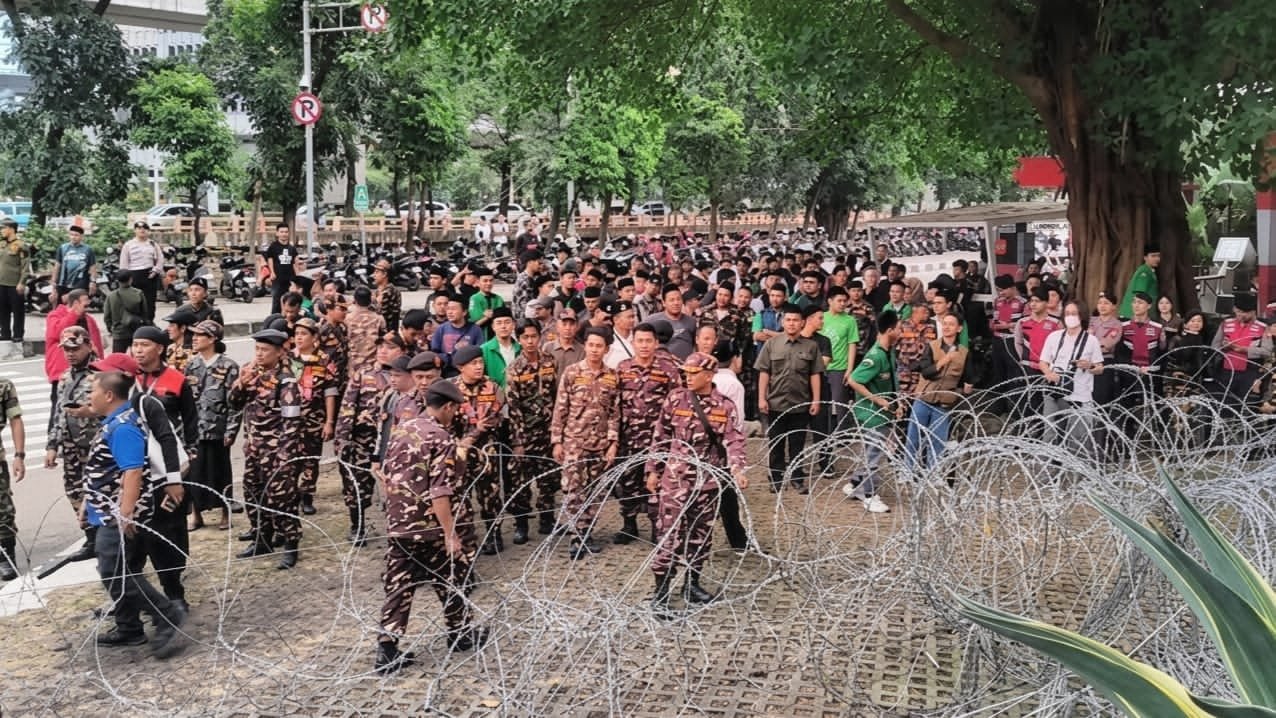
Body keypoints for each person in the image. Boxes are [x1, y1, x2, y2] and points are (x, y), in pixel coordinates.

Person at [376, 375, 485, 673]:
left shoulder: (403, 429)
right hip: (429, 526)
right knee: (452, 574)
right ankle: (460, 633)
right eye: (455, 409)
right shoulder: (442, 438)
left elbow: (387, 475)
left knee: (399, 586)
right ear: (447, 407)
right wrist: (450, 534)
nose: (456, 414)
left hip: (399, 523)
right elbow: (440, 492)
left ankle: (386, 649)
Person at [81, 369, 185, 655]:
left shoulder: (123, 427)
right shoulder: (114, 421)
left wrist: (124, 514)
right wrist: (86, 504)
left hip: (119, 515)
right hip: (107, 510)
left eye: (93, 391)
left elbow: (133, 472)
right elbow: (103, 470)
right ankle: (129, 628)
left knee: (114, 572)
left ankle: (167, 616)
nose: (89, 396)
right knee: (124, 569)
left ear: (109, 395)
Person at [645, 352, 748, 616]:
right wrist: (653, 470)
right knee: (668, 535)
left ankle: (692, 585)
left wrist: (737, 469)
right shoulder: (675, 398)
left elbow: (734, 440)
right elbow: (661, 436)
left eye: (693, 373)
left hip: (708, 482)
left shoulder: (724, 406)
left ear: (709, 375)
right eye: (685, 373)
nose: (687, 377)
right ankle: (661, 592)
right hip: (675, 480)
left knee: (700, 536)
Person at [130, 326, 197, 607]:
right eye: (135, 345)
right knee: (135, 535)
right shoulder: (126, 381)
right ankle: (134, 596)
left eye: (144, 345)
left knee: (171, 530)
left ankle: (174, 591)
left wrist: (185, 467)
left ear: (159, 347)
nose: (138, 350)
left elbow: (192, 424)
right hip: (136, 469)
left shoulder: (177, 380)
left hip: (170, 469)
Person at [230, 329, 304, 568]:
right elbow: (232, 403)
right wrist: (241, 382)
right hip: (253, 448)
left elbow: (291, 422)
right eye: (257, 349)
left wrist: (284, 456)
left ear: (279, 351)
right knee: (253, 493)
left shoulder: (286, 380)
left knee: (282, 498)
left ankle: (291, 544)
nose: (259, 354)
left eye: (265, 350)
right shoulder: (251, 374)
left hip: (277, 451)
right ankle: (262, 537)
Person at [550, 328, 621, 560]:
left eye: (599, 346)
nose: (594, 350)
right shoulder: (572, 373)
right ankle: (575, 535)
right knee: (573, 490)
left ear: (606, 350)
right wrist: (557, 441)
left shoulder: (612, 376)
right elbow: (560, 409)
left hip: (599, 444)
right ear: (585, 346)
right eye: (590, 345)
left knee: (595, 492)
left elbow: (614, 413)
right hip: (574, 443)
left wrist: (612, 443)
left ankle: (587, 531)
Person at [336, 335, 408, 546]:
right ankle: (357, 526)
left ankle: (398, 527)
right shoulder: (363, 374)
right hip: (363, 440)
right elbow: (348, 406)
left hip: (394, 440)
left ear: (401, 351)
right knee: (357, 484)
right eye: (380, 347)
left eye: (390, 347)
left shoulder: (406, 375)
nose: (383, 351)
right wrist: (343, 439)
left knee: (397, 484)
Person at [615, 322, 682, 544]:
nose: (644, 345)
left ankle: (658, 527)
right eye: (639, 341)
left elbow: (677, 404)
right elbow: (614, 406)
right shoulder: (622, 369)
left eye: (648, 341)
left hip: (658, 441)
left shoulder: (668, 370)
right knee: (628, 483)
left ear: (655, 343)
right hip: (629, 437)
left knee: (657, 485)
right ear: (633, 343)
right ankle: (629, 525)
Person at [755, 303, 824, 493]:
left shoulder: (811, 346)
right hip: (775, 403)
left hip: (800, 404)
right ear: (783, 322)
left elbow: (815, 374)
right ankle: (776, 478)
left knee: (798, 443)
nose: (792, 324)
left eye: (795, 320)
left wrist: (816, 399)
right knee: (776, 443)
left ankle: (797, 478)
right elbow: (764, 373)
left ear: (802, 323)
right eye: (788, 320)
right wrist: (761, 398)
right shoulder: (771, 344)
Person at [45, 327, 99, 561]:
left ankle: (104, 537)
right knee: (74, 491)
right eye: (66, 349)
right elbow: (59, 411)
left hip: (95, 446)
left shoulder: (101, 374)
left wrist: (91, 412)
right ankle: (91, 537)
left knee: (97, 493)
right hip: (70, 447)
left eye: (75, 348)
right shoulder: (65, 377)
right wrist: (52, 445)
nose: (70, 353)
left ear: (88, 346)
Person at [448, 345, 507, 555]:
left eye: (480, 362)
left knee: (490, 495)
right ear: (460, 367)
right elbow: (446, 423)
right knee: (461, 496)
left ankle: (494, 534)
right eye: (473, 364)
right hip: (459, 453)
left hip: (486, 451)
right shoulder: (451, 390)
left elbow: (490, 420)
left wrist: (471, 436)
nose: (479, 367)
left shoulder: (492, 388)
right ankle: (466, 537)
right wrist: (463, 441)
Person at [842, 311, 903, 513]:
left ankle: (854, 484)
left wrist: (896, 403)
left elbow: (892, 382)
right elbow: (854, 380)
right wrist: (878, 400)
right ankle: (869, 494)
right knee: (874, 453)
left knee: (871, 451)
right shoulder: (875, 356)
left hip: (884, 412)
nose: (902, 332)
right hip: (871, 414)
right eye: (899, 328)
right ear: (890, 330)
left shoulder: (890, 351)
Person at [505, 320, 560, 538]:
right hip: (525, 434)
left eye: (533, 336)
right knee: (521, 481)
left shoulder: (550, 361)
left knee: (548, 479)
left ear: (540, 337)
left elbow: (555, 396)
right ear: (519, 339)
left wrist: (557, 433)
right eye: (525, 337)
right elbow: (513, 407)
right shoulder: (515, 369)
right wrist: (518, 441)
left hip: (546, 433)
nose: (530, 341)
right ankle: (521, 525)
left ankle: (547, 520)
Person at [184, 321, 240, 531]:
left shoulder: (228, 366)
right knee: (194, 474)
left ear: (213, 339)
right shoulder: (191, 365)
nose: (195, 339)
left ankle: (225, 513)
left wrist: (231, 429)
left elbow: (234, 403)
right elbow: (186, 400)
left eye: (200, 335)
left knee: (221, 472)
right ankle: (196, 515)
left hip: (218, 428)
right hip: (196, 430)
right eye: (194, 335)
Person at [904, 313, 976, 472]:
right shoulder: (932, 346)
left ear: (959, 328)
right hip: (923, 398)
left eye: (951, 324)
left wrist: (967, 386)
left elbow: (968, 376)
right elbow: (926, 372)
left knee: (938, 442)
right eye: (944, 323)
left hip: (944, 403)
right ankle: (907, 471)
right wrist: (944, 361)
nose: (946, 327)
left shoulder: (964, 353)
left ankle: (933, 473)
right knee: (914, 437)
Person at [1038, 301, 1105, 455]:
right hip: (1054, 392)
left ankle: (1077, 474)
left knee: (1078, 440)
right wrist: (1049, 374)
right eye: (1067, 313)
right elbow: (1043, 361)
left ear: (1081, 316)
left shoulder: (1091, 341)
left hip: (1079, 396)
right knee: (1051, 434)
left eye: (1074, 313)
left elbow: (1100, 368)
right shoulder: (1054, 337)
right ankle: (1049, 473)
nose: (1070, 317)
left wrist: (1089, 366)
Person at [291, 318, 339, 515]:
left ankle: (307, 496)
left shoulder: (324, 360)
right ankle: (291, 495)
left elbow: (330, 392)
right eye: (297, 334)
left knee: (311, 459)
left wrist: (329, 422)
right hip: (290, 421)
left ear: (314, 337)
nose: (299, 338)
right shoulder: (287, 358)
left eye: (304, 334)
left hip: (313, 419)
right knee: (291, 460)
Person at [45, 289, 105, 433]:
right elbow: (56, 333)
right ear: (75, 303)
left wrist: (101, 364)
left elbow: (96, 342)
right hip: (62, 371)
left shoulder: (89, 319)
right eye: (85, 302)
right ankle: (55, 440)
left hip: (89, 370)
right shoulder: (55, 315)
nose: (88, 305)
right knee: (60, 406)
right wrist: (73, 314)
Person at [1212, 293, 1267, 404]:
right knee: (1224, 406)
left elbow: (1267, 352)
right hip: (1226, 371)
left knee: (1246, 407)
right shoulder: (1226, 324)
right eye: (1238, 312)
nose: (1240, 315)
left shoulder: (1263, 327)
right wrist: (1223, 347)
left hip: (1250, 373)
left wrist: (1244, 350)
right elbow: (1214, 346)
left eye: (1244, 313)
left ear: (1253, 312)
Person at [821, 286, 860, 425]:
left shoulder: (850, 320)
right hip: (821, 367)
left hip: (840, 367)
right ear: (830, 301)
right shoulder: (821, 318)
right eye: (839, 301)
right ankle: (825, 435)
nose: (843, 304)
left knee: (840, 403)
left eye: (845, 301)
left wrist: (849, 369)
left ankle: (841, 435)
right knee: (822, 403)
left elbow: (852, 344)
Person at [0, 369, 24, 581]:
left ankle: (6, 556)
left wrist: (19, 455)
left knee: (2, 509)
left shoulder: (4, 386)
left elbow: (15, 419)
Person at [120, 221, 163, 322]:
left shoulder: (153, 244)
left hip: (150, 275)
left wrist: (155, 271)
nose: (142, 230)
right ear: (135, 230)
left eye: (144, 228)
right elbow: (124, 262)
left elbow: (160, 259)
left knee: (149, 302)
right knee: (133, 301)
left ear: (148, 231)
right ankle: (135, 322)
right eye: (139, 228)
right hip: (133, 275)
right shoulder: (128, 245)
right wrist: (125, 277)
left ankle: (149, 322)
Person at [430, 295, 484, 374]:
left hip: (467, 372)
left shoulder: (475, 330)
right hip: (446, 372)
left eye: (453, 309)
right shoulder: (441, 329)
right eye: (448, 309)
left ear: (464, 312)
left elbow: (480, 351)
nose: (449, 312)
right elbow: (435, 352)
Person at [0, 220, 29, 360]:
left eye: (3, 228)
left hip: (14, 285)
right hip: (1, 284)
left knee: (18, 313)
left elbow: (25, 267)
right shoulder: (2, 244)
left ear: (11, 229)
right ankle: (5, 337)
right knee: (2, 312)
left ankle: (18, 339)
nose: (1, 231)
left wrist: (22, 282)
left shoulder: (21, 246)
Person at [646, 284, 698, 359]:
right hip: (660, 366)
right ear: (663, 303)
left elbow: (696, 345)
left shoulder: (691, 322)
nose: (676, 303)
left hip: (686, 367)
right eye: (671, 300)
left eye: (678, 299)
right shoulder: (651, 321)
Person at [345, 286, 387, 378]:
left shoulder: (347, 318)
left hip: (353, 364)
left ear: (355, 300)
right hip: (373, 364)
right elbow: (383, 341)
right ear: (370, 300)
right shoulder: (379, 319)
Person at [103, 270, 149, 354]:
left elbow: (107, 316)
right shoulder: (138, 293)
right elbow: (145, 313)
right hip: (136, 330)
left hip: (119, 333)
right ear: (131, 279)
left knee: (117, 359)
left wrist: (111, 329)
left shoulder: (111, 296)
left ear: (117, 280)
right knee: (137, 358)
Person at [50, 224, 96, 304]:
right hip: (62, 283)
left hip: (80, 284)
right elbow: (57, 266)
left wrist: (93, 282)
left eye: (76, 235)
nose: (73, 237)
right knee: (60, 308)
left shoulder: (88, 250)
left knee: (76, 308)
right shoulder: (62, 248)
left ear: (82, 236)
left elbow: (93, 267)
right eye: (71, 234)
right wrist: (53, 283)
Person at [260, 223, 300, 315]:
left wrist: (298, 276)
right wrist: (272, 273)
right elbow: (270, 259)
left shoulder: (292, 248)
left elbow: (295, 262)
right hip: (278, 278)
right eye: (281, 232)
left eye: (286, 232)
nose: (284, 234)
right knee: (277, 300)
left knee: (290, 300)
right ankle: (275, 318)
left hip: (290, 278)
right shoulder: (273, 247)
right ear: (277, 233)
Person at [479, 306, 520, 387]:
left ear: (514, 325)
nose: (503, 326)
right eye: (499, 323)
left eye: (507, 322)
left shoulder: (520, 348)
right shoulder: (484, 350)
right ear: (493, 326)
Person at [1118, 245, 1160, 319]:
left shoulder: (1150, 271)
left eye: (1158, 256)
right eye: (1153, 256)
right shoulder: (1144, 272)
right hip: (1132, 316)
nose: (1157, 259)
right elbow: (1140, 295)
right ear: (1145, 258)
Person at [542, 308, 585, 376]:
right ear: (557, 327)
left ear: (577, 327)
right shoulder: (548, 347)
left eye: (571, 324)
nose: (568, 328)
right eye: (564, 324)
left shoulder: (582, 350)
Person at [162, 307, 198, 373]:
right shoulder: (171, 347)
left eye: (172, 325)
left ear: (183, 328)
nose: (168, 329)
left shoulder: (192, 351)